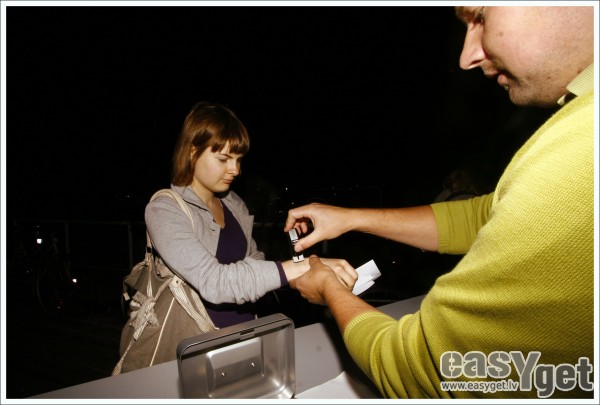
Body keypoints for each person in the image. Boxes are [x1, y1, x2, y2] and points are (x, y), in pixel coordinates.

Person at [285, 6, 594, 399]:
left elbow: (424, 369)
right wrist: (349, 218)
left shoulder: (582, 148)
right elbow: (484, 216)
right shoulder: (577, 119)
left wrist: (330, 289)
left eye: (480, 17)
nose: (467, 57)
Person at [118, 101, 356, 372]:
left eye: (238, 159)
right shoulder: (164, 209)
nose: (235, 170)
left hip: (243, 336)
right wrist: (297, 268)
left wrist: (310, 271)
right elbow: (214, 282)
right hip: (191, 346)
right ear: (193, 151)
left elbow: (254, 265)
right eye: (223, 159)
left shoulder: (234, 204)